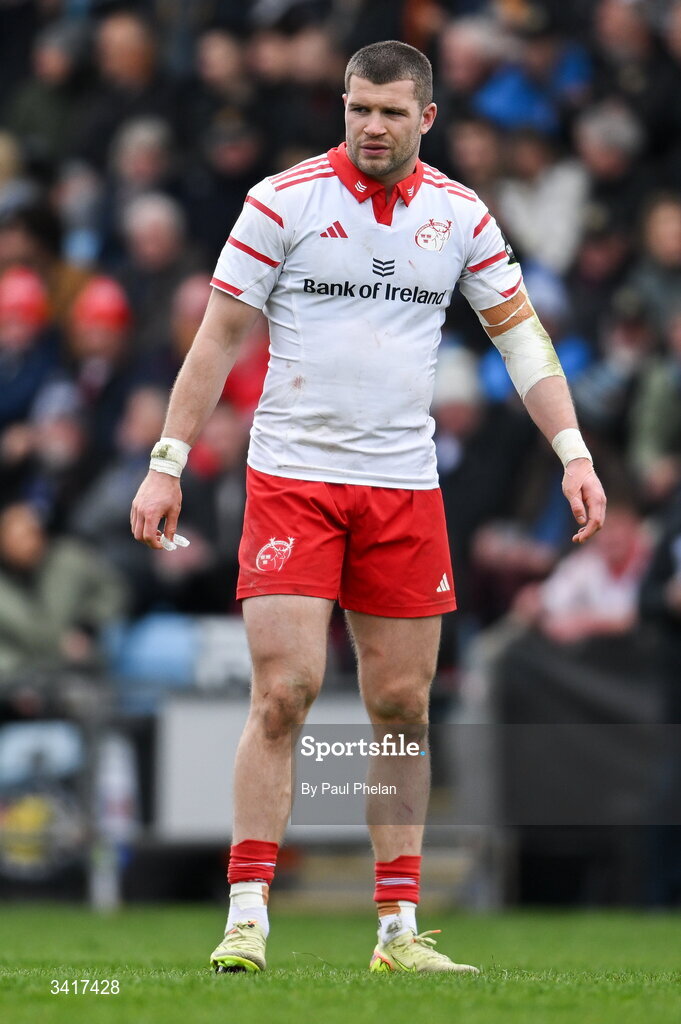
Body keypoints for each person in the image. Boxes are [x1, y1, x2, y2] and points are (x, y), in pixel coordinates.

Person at [131, 40, 606, 975]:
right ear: (341, 107)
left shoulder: (459, 214)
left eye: (391, 112)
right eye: (358, 109)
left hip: (401, 487)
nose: (372, 127)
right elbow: (218, 338)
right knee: (286, 690)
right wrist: (167, 462)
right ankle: (247, 915)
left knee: (402, 706)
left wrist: (575, 454)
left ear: (426, 118)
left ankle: (396, 931)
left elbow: (522, 342)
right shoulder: (283, 200)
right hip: (292, 478)